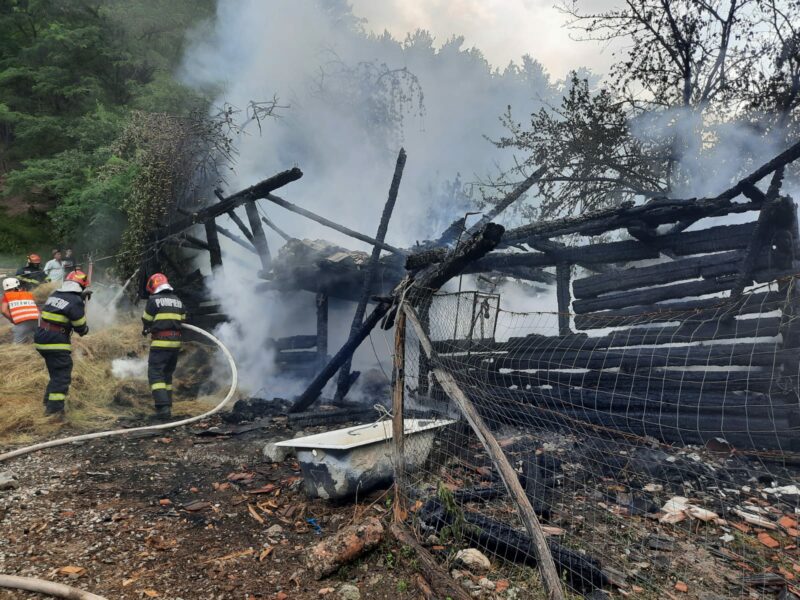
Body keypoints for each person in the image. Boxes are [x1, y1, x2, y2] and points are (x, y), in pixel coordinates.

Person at [34, 270, 90, 416]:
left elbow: (63, 306)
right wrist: (81, 303)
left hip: (41, 338)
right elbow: (81, 328)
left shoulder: (55, 294)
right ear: (81, 286)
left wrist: (80, 298)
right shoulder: (76, 300)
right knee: (62, 375)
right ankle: (54, 412)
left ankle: (48, 402)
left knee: (55, 372)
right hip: (56, 341)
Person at [142, 273, 186, 419]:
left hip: (160, 343)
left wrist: (147, 327)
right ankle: (167, 405)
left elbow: (146, 319)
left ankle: (162, 408)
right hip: (175, 344)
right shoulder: (178, 300)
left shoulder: (154, 300)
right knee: (167, 375)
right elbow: (184, 318)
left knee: (155, 373)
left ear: (153, 286)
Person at [1, 277, 40, 343]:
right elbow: (35, 307)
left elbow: (3, 310)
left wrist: (12, 320)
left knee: (18, 344)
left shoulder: (7, 296)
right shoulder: (29, 294)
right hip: (36, 319)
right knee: (36, 340)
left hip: (21, 321)